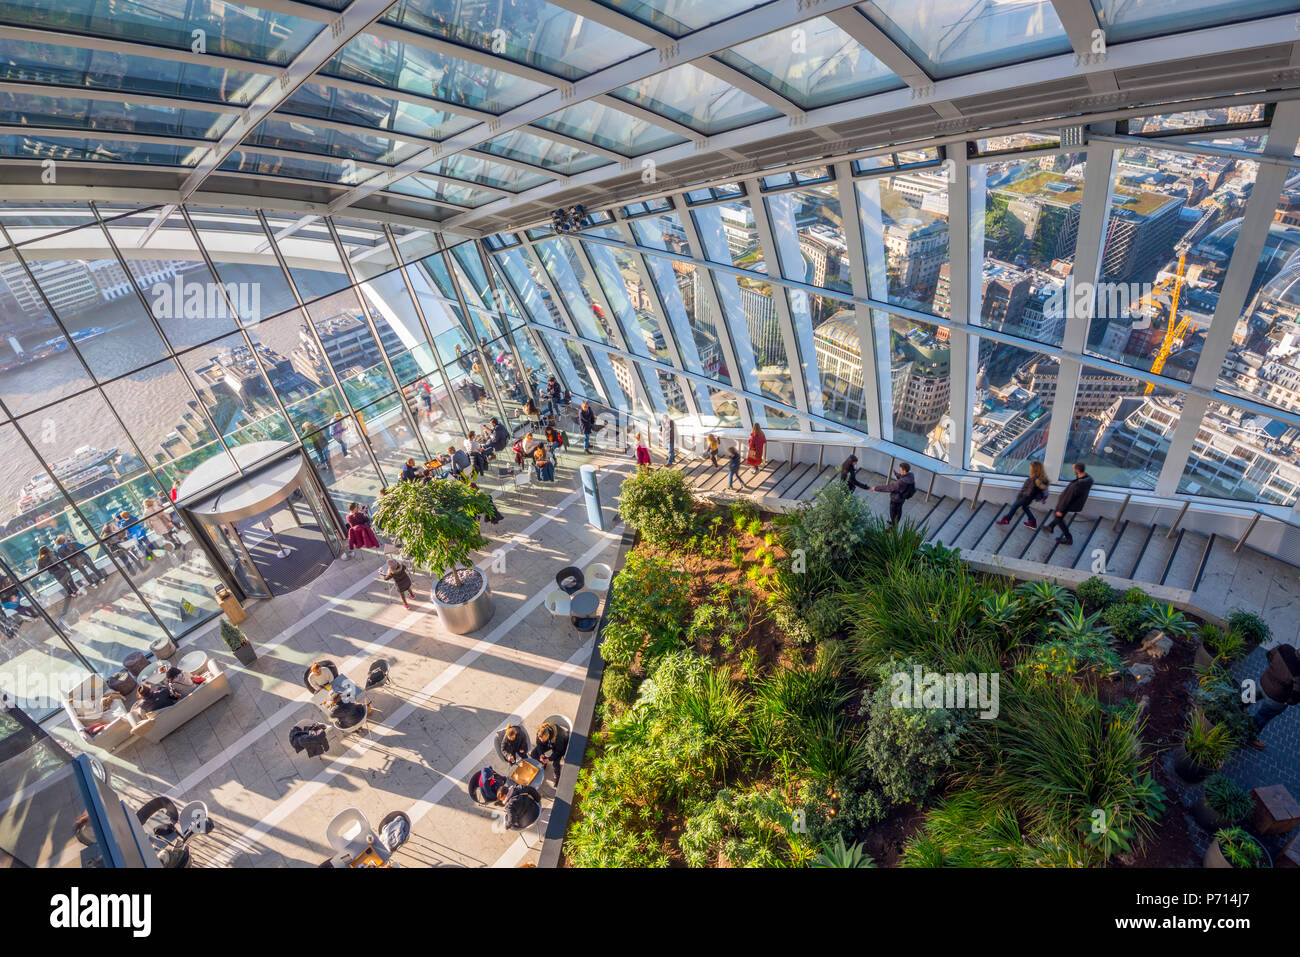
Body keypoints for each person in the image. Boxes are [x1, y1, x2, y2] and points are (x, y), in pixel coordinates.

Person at [1246, 643, 1300, 750]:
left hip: (1263, 683)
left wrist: (1273, 670)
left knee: (1248, 697)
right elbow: (1296, 696)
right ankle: (1251, 737)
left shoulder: (1285, 648)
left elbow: (1269, 654)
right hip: (1276, 699)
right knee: (1261, 718)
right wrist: (1287, 702)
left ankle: (1237, 708)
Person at [1044, 462, 1093, 546]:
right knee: (1058, 516)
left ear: (1077, 470)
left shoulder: (1076, 485)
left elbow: (1068, 498)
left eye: (1074, 469)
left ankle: (1068, 538)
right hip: (1075, 503)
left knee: (1059, 517)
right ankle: (1050, 527)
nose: (1073, 470)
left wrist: (1061, 509)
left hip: (1067, 504)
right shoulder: (1088, 479)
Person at [996, 461, 1050, 529]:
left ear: (1035, 469)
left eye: (1031, 467)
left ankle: (1006, 520)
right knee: (1025, 507)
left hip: (1024, 498)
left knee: (1014, 507)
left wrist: (1021, 497)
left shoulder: (1034, 480)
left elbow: (1029, 491)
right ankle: (1032, 522)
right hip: (1028, 499)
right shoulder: (1039, 478)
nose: (1030, 469)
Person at [530, 720, 569, 786]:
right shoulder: (540, 731)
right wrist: (541, 754)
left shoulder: (558, 737)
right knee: (533, 753)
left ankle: (557, 777)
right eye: (540, 739)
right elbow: (539, 744)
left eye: (543, 739)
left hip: (560, 747)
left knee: (555, 763)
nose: (541, 740)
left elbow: (559, 752)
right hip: (549, 743)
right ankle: (543, 762)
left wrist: (550, 759)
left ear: (548, 736)